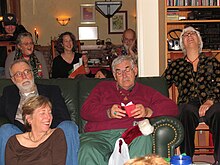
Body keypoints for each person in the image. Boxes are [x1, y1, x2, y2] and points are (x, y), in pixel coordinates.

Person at [79, 55, 178, 165]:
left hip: (131, 133)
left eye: (127, 70)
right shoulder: (102, 87)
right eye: (119, 72)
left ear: (135, 70)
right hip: (99, 135)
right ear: (114, 76)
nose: (124, 75)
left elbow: (172, 107)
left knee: (143, 137)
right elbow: (85, 111)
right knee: (87, 148)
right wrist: (108, 112)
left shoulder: (147, 91)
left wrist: (148, 112)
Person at [0, 59, 80, 165]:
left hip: (49, 133)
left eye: (27, 72)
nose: (24, 76)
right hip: (21, 136)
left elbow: (63, 116)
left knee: (69, 126)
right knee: (5, 129)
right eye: (19, 74)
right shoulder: (8, 92)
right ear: (13, 79)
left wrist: (45, 130)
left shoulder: (51, 90)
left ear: (32, 73)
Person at [163, 26, 220, 164]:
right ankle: (185, 158)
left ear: (199, 41)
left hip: (211, 102)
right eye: (185, 34)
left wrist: (210, 101)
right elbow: (162, 84)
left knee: (219, 112)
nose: (189, 36)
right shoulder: (176, 65)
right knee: (185, 111)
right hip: (188, 102)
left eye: (192, 33)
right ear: (182, 43)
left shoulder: (212, 62)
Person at [5, 95, 67, 165]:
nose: (48, 117)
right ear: (29, 119)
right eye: (42, 113)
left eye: (50, 113)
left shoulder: (56, 135)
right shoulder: (13, 142)